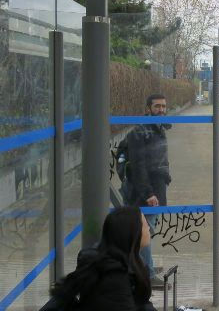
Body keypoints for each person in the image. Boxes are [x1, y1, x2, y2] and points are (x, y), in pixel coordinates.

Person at [43, 207, 156, 311]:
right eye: (145, 224)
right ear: (133, 233)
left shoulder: (125, 266)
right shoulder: (113, 277)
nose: (149, 227)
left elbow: (141, 304)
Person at [127, 93, 172, 288]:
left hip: (156, 187)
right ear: (148, 109)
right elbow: (139, 166)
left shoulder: (157, 128)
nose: (161, 110)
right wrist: (148, 194)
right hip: (147, 191)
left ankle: (145, 265)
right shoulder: (141, 132)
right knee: (143, 232)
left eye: (163, 106)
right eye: (157, 107)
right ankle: (146, 273)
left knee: (146, 230)